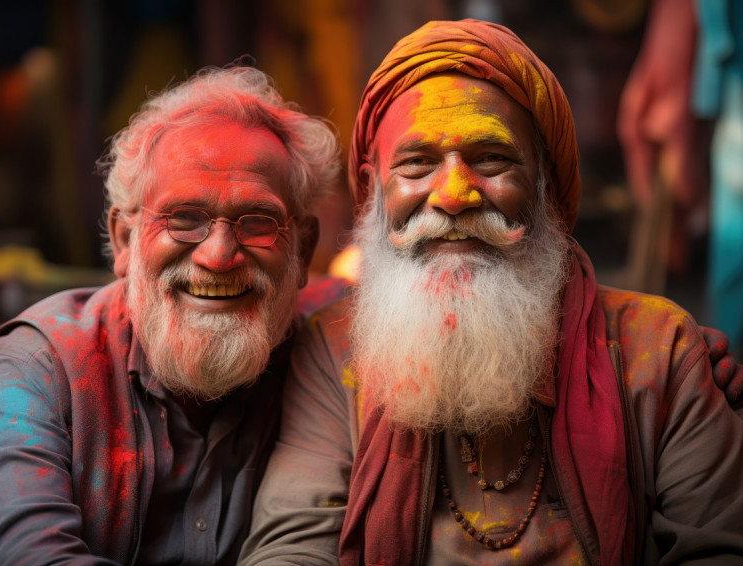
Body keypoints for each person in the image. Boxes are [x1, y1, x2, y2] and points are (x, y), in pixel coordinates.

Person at [239, 19, 743, 565]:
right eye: (417, 165)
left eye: (491, 159)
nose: (455, 195)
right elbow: (290, 549)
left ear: (546, 185)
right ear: (373, 191)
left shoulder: (660, 351)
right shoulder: (332, 350)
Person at [0, 65, 340, 565]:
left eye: (258, 221)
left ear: (303, 248)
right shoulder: (35, 370)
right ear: (125, 240)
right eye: (183, 218)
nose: (217, 256)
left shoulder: (322, 362)